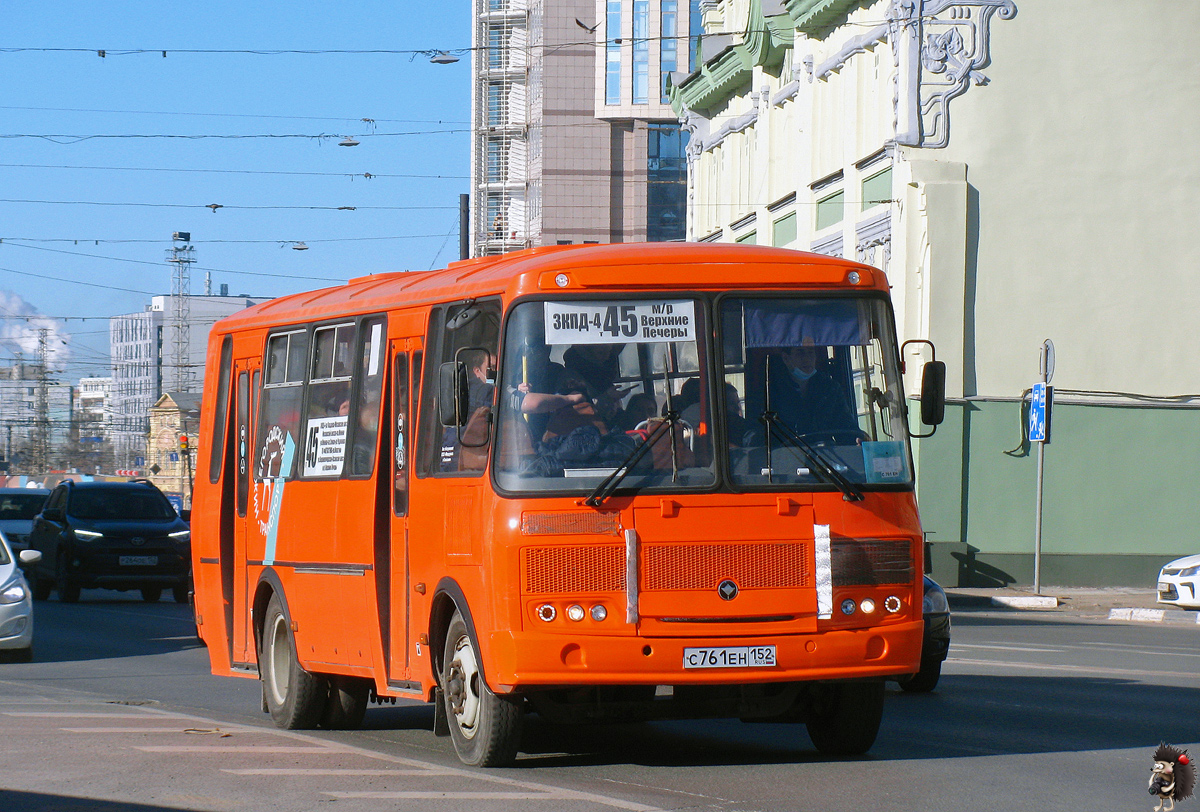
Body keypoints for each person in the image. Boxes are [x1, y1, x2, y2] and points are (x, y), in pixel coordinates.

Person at [765, 344, 857, 436]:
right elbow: (755, 434)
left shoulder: (830, 389)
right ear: (786, 358)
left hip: (824, 449)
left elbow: (845, 425)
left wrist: (856, 439)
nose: (807, 359)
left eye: (811, 352)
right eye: (800, 353)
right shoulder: (769, 391)